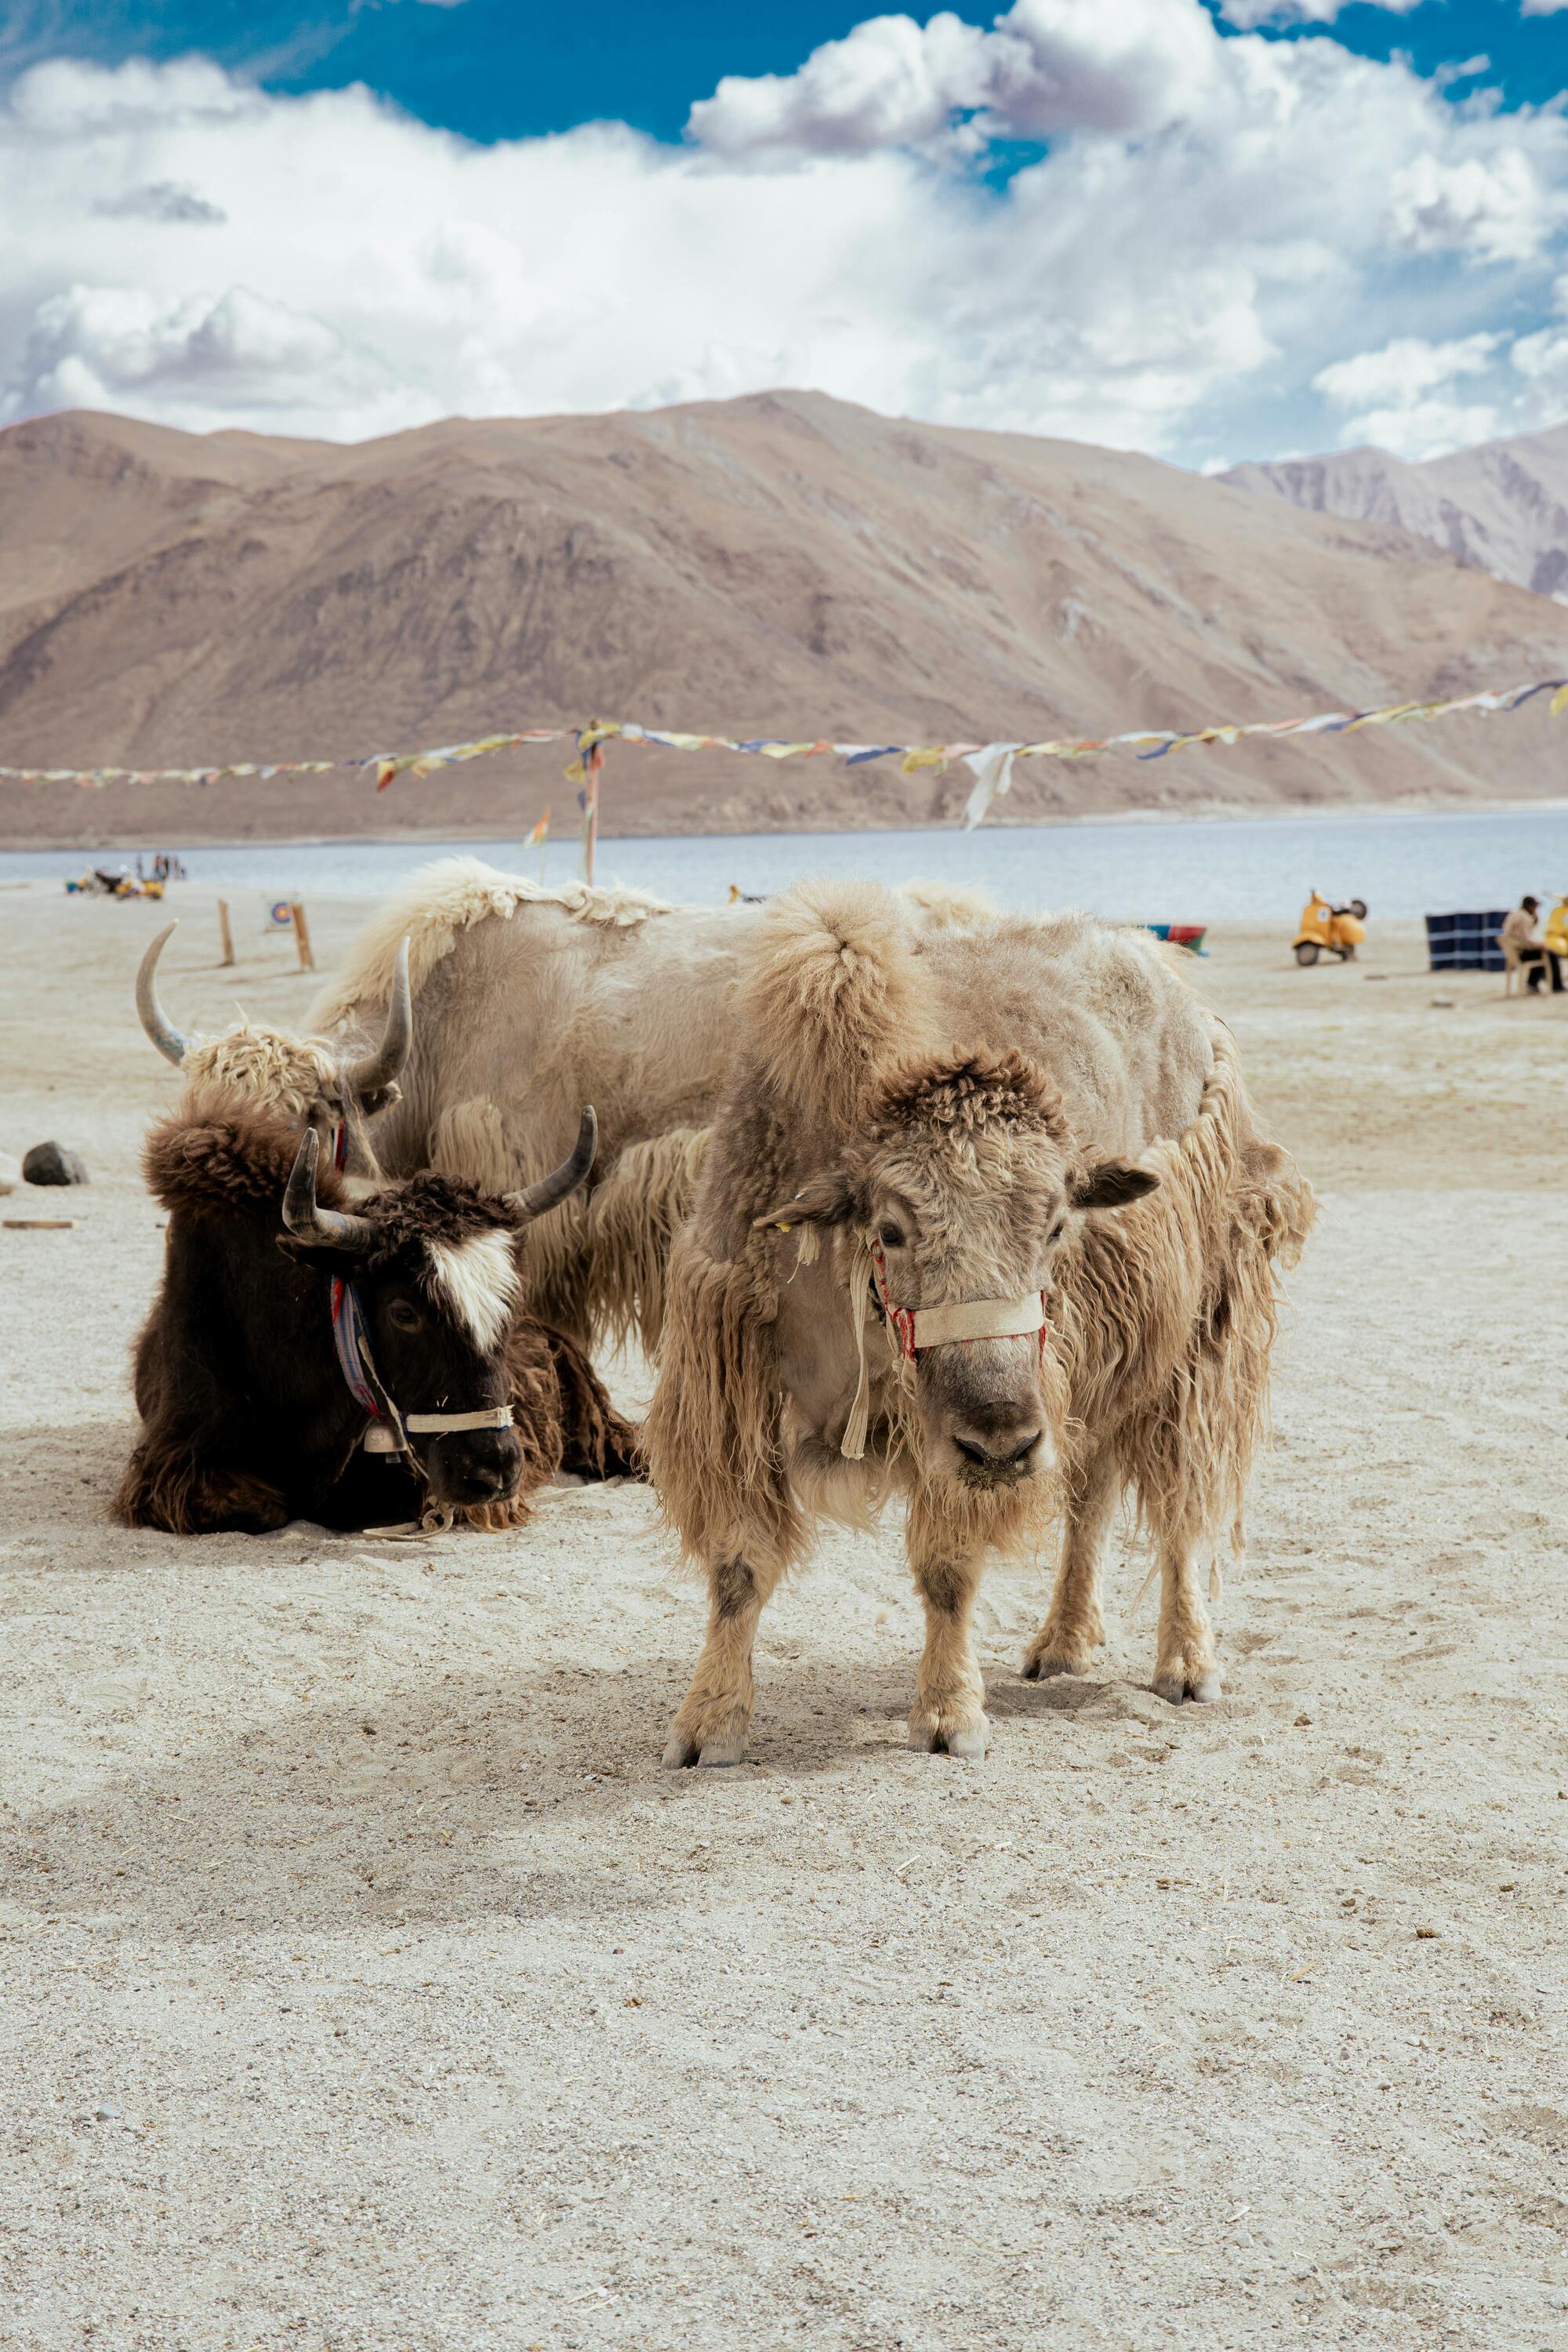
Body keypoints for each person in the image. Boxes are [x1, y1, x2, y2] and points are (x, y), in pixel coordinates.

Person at [1500, 895, 1563, 994]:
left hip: (1514, 952)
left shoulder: (1515, 914)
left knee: (1543, 954)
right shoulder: (1524, 917)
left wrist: (1535, 920)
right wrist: (1541, 945)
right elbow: (1526, 940)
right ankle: (1556, 986)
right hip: (1521, 951)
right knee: (1550, 955)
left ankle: (1533, 983)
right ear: (1530, 906)